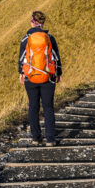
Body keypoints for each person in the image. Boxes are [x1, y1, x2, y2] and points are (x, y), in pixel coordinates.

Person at [18, 10, 62, 146]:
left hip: (30, 77)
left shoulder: (25, 39)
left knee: (33, 106)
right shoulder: (50, 38)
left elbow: (21, 59)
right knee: (48, 107)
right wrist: (58, 74)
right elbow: (56, 57)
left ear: (32, 22)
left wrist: (22, 73)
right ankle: (50, 139)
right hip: (47, 77)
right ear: (42, 23)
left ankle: (36, 138)